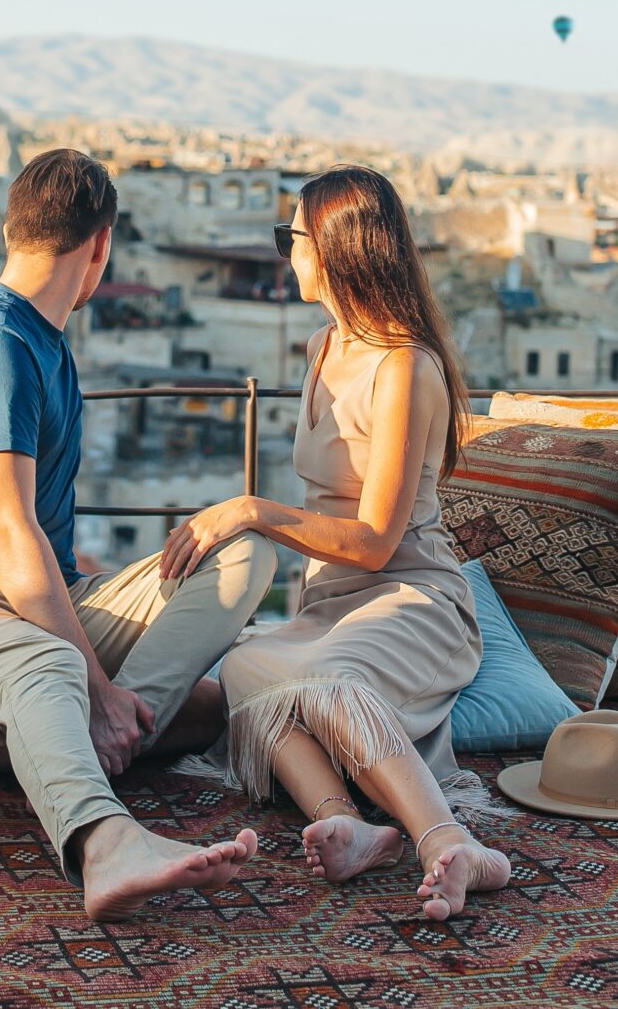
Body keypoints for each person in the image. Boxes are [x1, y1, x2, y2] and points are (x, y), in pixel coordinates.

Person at [0, 149, 278, 922]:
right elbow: (6, 534)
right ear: (101, 245)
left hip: (47, 600)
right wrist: (93, 682)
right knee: (51, 667)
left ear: (12, 228)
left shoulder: (46, 340)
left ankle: (96, 735)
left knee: (244, 561)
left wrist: (109, 696)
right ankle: (105, 841)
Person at [161, 165, 513, 921]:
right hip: (329, 603)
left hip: (411, 597)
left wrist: (254, 510)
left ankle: (448, 840)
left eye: (291, 236)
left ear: (331, 248)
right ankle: (344, 820)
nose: (286, 249)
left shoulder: (404, 366)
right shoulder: (323, 345)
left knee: (328, 675)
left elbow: (379, 541)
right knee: (251, 663)